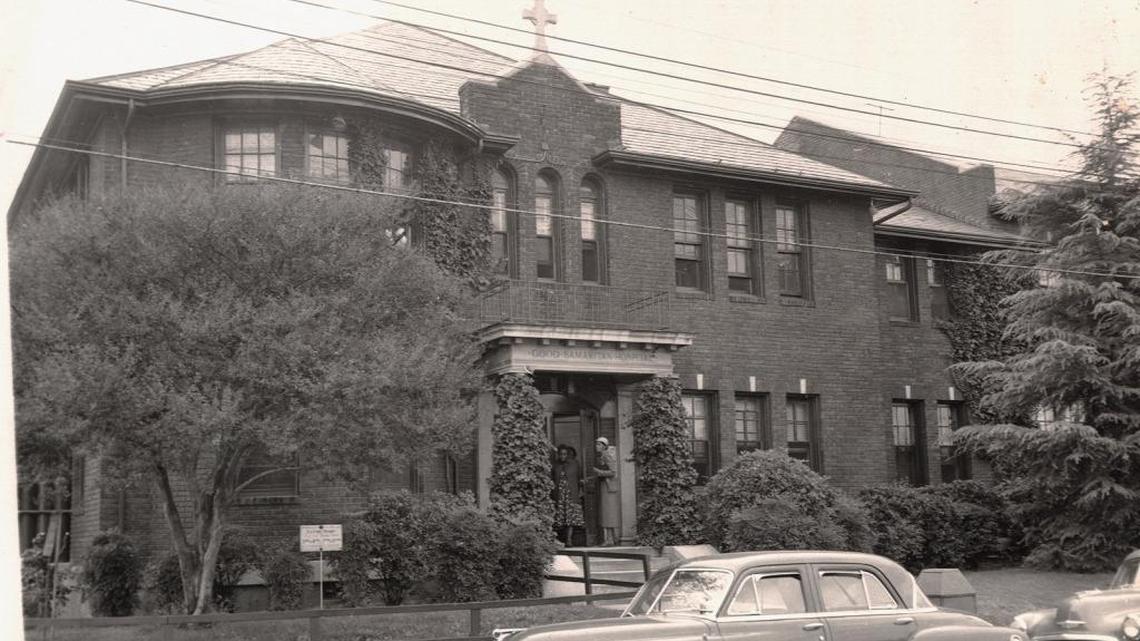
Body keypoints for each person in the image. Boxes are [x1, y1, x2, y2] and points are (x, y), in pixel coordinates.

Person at [552, 444, 584, 545]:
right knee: (559, 518)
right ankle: (558, 539)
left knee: (571, 518)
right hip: (559, 495)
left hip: (571, 494)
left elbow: (579, 478)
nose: (563, 456)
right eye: (561, 454)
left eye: (565, 454)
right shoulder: (555, 465)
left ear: (568, 455)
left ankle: (569, 540)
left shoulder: (574, 464)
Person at [593, 437, 620, 546]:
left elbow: (613, 472)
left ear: (604, 446)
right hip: (606, 486)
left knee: (609, 513)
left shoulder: (607, 455)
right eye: (596, 444)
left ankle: (610, 539)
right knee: (607, 513)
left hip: (608, 486)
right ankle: (611, 538)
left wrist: (599, 472)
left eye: (599, 445)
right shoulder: (604, 455)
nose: (596, 447)